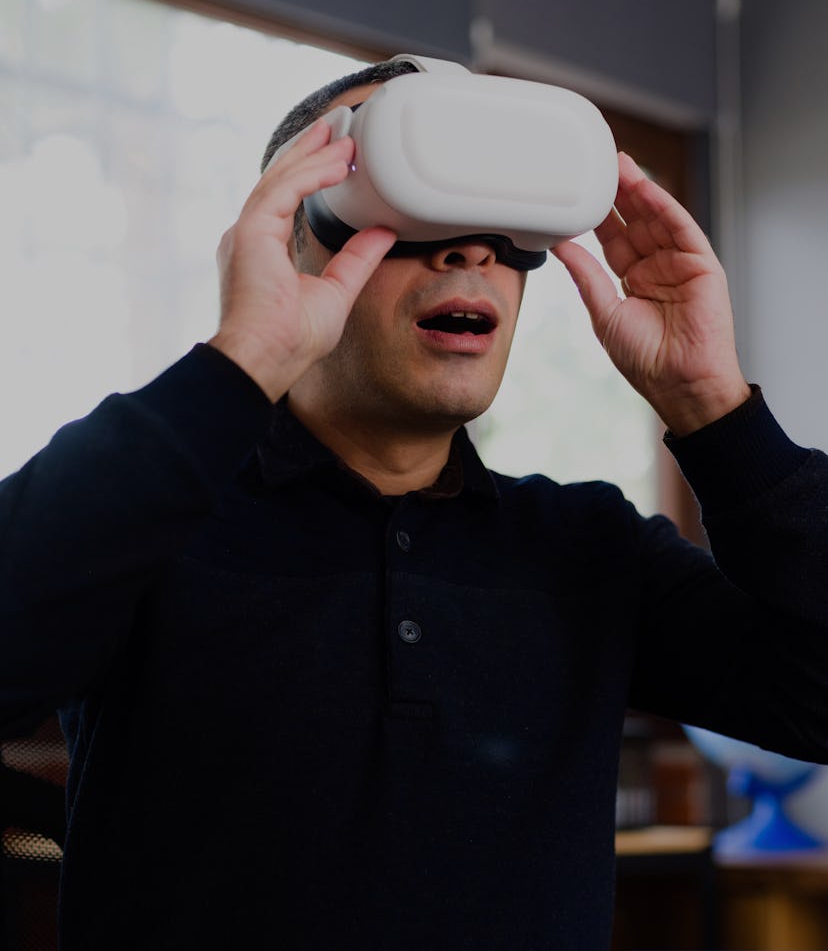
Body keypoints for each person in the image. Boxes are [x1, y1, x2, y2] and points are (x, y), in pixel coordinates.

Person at [1, 56, 827, 950]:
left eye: (500, 224)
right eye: (398, 198)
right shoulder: (154, 520)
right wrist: (240, 358)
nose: (469, 247)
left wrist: (714, 408)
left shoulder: (588, 547)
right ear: (287, 237)